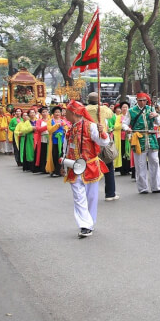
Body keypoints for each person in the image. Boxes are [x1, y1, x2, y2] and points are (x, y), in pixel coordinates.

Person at [63, 100, 111, 238]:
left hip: (90, 166)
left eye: (67, 111)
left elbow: (104, 142)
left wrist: (102, 132)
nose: (65, 114)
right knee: (78, 197)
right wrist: (64, 164)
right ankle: (85, 225)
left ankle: (90, 222)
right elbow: (66, 148)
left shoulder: (91, 127)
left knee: (91, 197)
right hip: (74, 167)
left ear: (74, 113)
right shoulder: (70, 129)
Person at [122, 93, 160, 194]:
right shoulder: (131, 111)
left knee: (155, 162)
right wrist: (127, 129)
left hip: (151, 139)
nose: (142, 102)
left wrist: (156, 115)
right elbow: (124, 124)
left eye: (144, 100)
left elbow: (159, 123)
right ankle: (143, 188)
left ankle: (156, 187)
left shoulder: (151, 109)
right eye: (140, 100)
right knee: (140, 164)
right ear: (137, 100)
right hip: (138, 139)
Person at [86, 92, 119, 201]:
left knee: (90, 168)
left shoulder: (84, 110)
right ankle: (110, 193)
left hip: (89, 142)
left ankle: (89, 194)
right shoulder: (103, 109)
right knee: (108, 167)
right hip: (102, 140)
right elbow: (111, 114)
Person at [47, 107, 68, 177]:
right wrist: (57, 125)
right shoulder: (50, 121)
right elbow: (50, 130)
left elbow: (66, 129)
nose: (57, 113)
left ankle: (60, 170)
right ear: (53, 113)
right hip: (54, 140)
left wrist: (65, 130)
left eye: (59, 112)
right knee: (54, 155)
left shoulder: (63, 121)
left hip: (62, 140)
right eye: (56, 112)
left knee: (61, 155)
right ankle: (54, 170)